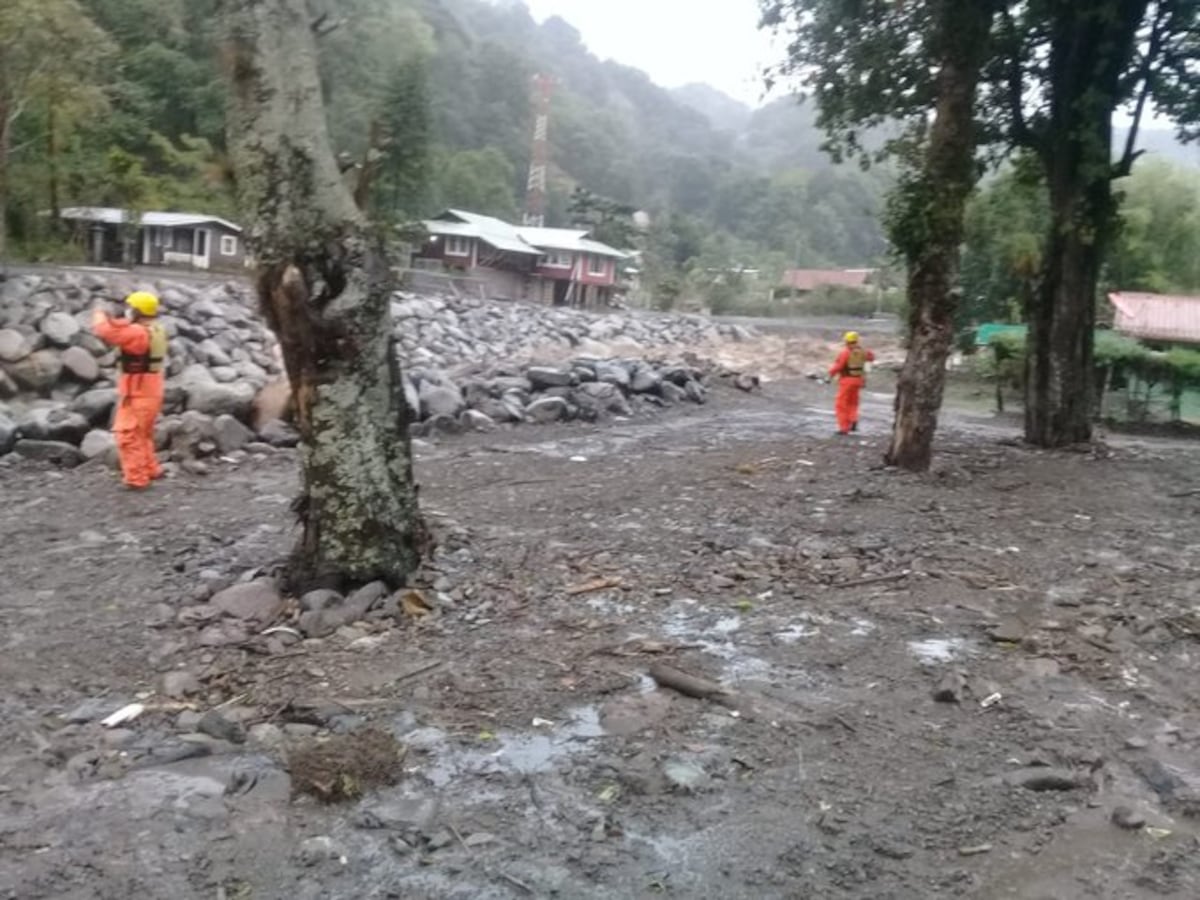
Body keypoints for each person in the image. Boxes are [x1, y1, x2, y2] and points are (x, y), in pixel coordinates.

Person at [92, 291, 168, 489]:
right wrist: (116, 318)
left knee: (129, 435)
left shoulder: (137, 332)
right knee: (144, 433)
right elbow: (124, 327)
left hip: (139, 390)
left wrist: (100, 313)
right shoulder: (154, 329)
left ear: (136, 310)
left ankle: (136, 478)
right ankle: (151, 469)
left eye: (129, 308)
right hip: (152, 388)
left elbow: (105, 332)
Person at [828, 331, 874, 435]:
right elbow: (870, 359)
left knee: (841, 404)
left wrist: (830, 375)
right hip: (858, 380)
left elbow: (838, 366)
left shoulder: (845, 353)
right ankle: (853, 420)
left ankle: (844, 428)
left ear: (846, 341)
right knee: (853, 402)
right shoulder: (865, 352)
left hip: (846, 381)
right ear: (857, 340)